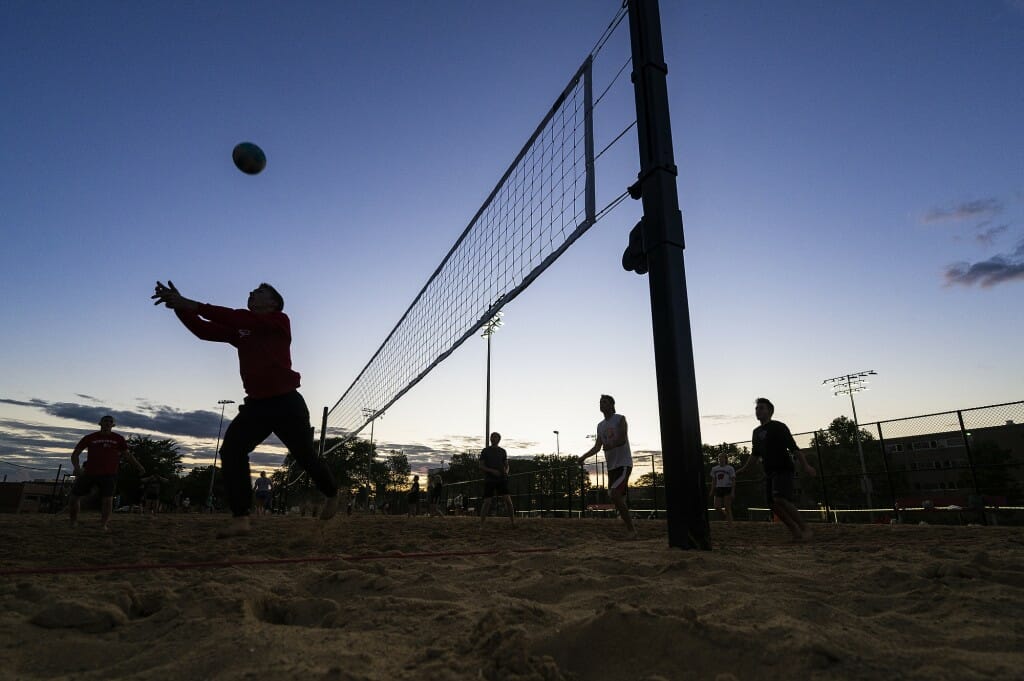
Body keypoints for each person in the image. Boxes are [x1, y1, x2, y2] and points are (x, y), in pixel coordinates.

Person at [152, 280, 339, 537]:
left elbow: (235, 317)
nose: (251, 293)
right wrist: (179, 306)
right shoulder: (242, 331)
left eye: (259, 292)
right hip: (257, 405)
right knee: (231, 451)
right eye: (252, 291)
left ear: (273, 302)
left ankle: (331, 493)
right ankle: (241, 517)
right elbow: (203, 330)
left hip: (287, 402)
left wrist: (192, 304)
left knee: (305, 456)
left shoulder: (279, 321)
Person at [736, 397, 817, 542]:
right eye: (756, 408)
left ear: (770, 411)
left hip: (783, 468)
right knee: (772, 504)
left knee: (780, 498)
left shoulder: (778, 426)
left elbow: (794, 448)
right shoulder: (756, 432)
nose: (758, 410)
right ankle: (795, 532)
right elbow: (755, 454)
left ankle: (806, 529)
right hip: (769, 472)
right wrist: (743, 469)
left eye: (761, 408)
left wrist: (805, 465)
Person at [68, 415, 146, 530]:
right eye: (105, 421)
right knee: (74, 497)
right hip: (89, 472)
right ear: (100, 423)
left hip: (109, 474)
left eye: (110, 421)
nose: (107, 423)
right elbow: (75, 453)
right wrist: (77, 467)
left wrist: (139, 466)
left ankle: (103, 524)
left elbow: (127, 455)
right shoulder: (90, 437)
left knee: (107, 499)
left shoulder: (118, 438)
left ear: (113, 425)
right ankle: (73, 522)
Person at [579, 394, 637, 538]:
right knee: (616, 498)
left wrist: (611, 444)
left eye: (604, 402)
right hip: (611, 468)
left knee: (615, 495)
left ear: (611, 405)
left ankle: (632, 530)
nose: (601, 404)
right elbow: (597, 446)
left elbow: (623, 438)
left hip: (623, 464)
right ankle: (626, 522)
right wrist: (584, 456)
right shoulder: (600, 426)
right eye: (600, 402)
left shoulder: (620, 419)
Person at [479, 432, 514, 525]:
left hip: (501, 479)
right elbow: (481, 466)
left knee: (508, 501)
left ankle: (513, 522)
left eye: (496, 437)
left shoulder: (502, 451)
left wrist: (506, 472)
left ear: (499, 439)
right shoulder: (485, 451)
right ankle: (481, 524)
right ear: (490, 439)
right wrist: (492, 471)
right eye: (492, 437)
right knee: (487, 502)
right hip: (489, 479)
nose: (494, 439)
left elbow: (507, 465)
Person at [708, 452, 736, 524]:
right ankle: (726, 516)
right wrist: (711, 490)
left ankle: (730, 524)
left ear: (725, 459)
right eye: (719, 457)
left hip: (727, 488)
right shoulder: (714, 468)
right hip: (718, 488)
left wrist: (733, 492)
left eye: (722, 457)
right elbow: (713, 481)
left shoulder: (730, 468)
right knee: (716, 506)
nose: (720, 459)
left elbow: (733, 480)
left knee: (727, 507)